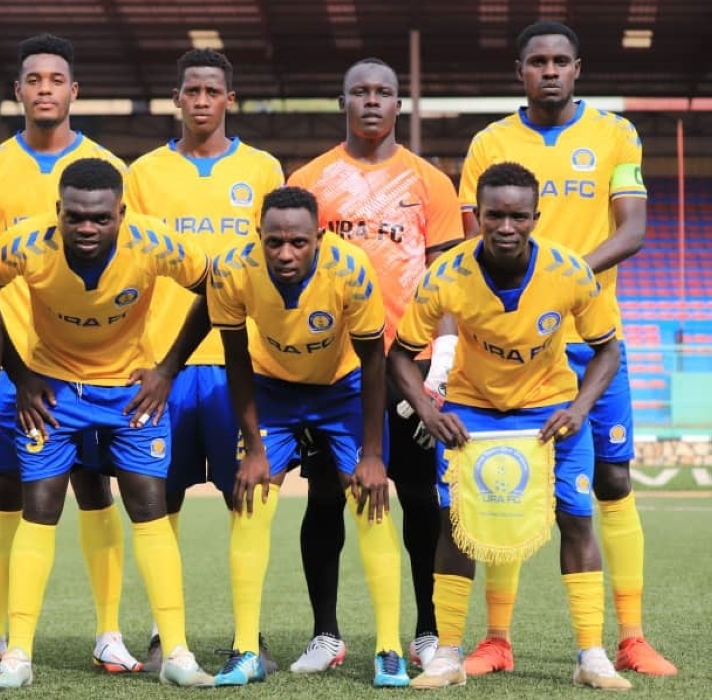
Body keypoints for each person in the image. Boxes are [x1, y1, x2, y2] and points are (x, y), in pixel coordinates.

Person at [457, 21, 673, 678]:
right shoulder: (489, 143)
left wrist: (565, 278)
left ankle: (631, 636)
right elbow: (477, 245)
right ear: (519, 69)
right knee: (506, 478)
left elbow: (632, 227)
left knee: (612, 478)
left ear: (578, 68)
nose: (549, 70)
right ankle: (496, 638)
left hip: (591, 339)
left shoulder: (615, 134)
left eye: (560, 61)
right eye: (537, 61)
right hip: (510, 345)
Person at [391, 161, 632, 690]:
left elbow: (607, 349)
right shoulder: (446, 277)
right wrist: (431, 411)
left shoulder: (569, 272)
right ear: (476, 215)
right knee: (458, 527)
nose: (505, 227)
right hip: (472, 411)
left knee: (576, 519)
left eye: (517, 216)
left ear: (535, 218)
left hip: (551, 411)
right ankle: (448, 655)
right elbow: (401, 356)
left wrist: (580, 408)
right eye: (494, 215)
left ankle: (591, 656)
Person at [0, 158, 214, 689]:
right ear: (58, 211)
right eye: (76, 217)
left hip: (131, 394)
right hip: (52, 392)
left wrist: (168, 370)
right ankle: (17, 654)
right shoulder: (24, 246)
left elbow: (214, 287)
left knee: (149, 510)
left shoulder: (155, 244)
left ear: (122, 213)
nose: (87, 228)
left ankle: (176, 652)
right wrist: (19, 375)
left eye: (101, 219)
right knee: (38, 510)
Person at [0, 33, 138, 673]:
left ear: (73, 90)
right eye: (32, 79)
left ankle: (110, 631)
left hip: (92, 366)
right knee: (7, 490)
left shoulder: (109, 168)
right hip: (11, 367)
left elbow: (128, 265)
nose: (44, 89)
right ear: (18, 92)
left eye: (55, 79)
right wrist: (13, 366)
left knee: (96, 488)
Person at [285, 57, 463, 681]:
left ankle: (425, 632)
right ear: (343, 101)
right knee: (327, 497)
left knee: (419, 499)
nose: (371, 101)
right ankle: (326, 634)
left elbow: (447, 282)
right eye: (358, 91)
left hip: (408, 363)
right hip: (333, 367)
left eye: (382, 92)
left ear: (396, 105)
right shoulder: (310, 181)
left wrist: (440, 368)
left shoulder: (431, 184)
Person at [123, 47, 285, 684]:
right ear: (176, 97)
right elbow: (131, 264)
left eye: (212, 91)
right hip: (161, 364)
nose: (200, 100)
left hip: (239, 363)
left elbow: (280, 258)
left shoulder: (263, 168)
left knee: (247, 495)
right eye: (190, 90)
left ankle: (249, 634)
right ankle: (169, 633)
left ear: (229, 100)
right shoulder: (143, 174)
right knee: (158, 500)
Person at [206, 186, 400, 687]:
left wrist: (374, 453)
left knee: (369, 496)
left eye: (298, 242)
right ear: (259, 236)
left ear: (318, 237)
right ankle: (245, 649)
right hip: (273, 391)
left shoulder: (351, 269)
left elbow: (375, 359)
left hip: (343, 389)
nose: (285, 254)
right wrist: (252, 448)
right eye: (274, 242)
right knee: (249, 498)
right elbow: (235, 358)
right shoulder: (231, 270)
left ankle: (389, 650)